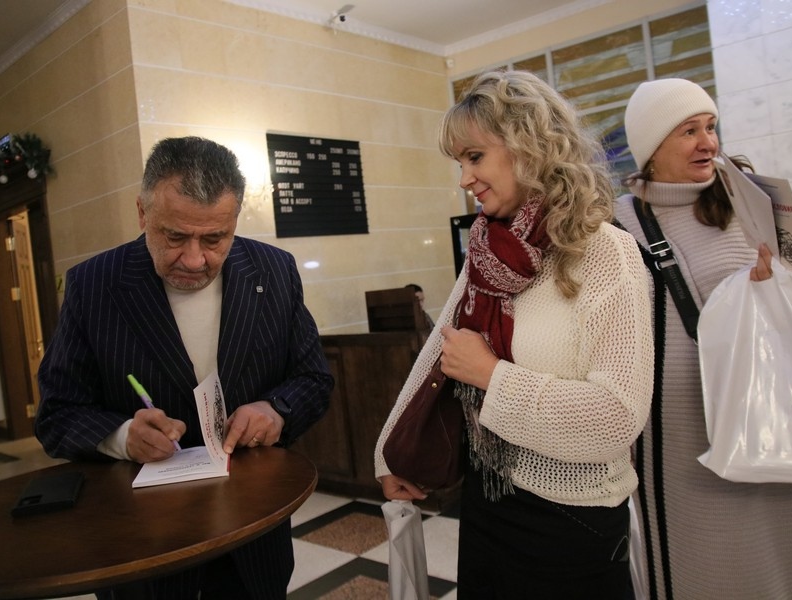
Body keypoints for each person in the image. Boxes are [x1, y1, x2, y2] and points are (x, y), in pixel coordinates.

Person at [374, 70, 655, 599]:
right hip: (488, 494)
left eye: (475, 157)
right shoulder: (486, 249)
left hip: (572, 520)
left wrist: (491, 376)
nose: (464, 179)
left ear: (529, 145)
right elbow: (437, 353)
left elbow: (617, 418)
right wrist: (389, 454)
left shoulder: (606, 252)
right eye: (459, 163)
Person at [35, 136, 334, 599]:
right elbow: (56, 413)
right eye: (174, 237)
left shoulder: (274, 271)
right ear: (142, 213)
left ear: (235, 221)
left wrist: (276, 409)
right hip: (144, 546)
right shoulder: (94, 285)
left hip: (253, 536)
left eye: (215, 239)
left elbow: (313, 379)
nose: (195, 260)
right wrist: (122, 436)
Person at [614, 78, 792, 599]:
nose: (708, 142)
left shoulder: (750, 199)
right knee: (697, 565)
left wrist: (779, 284)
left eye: (711, 127)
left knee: (783, 561)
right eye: (688, 131)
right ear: (651, 148)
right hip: (676, 432)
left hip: (767, 417)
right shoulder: (620, 223)